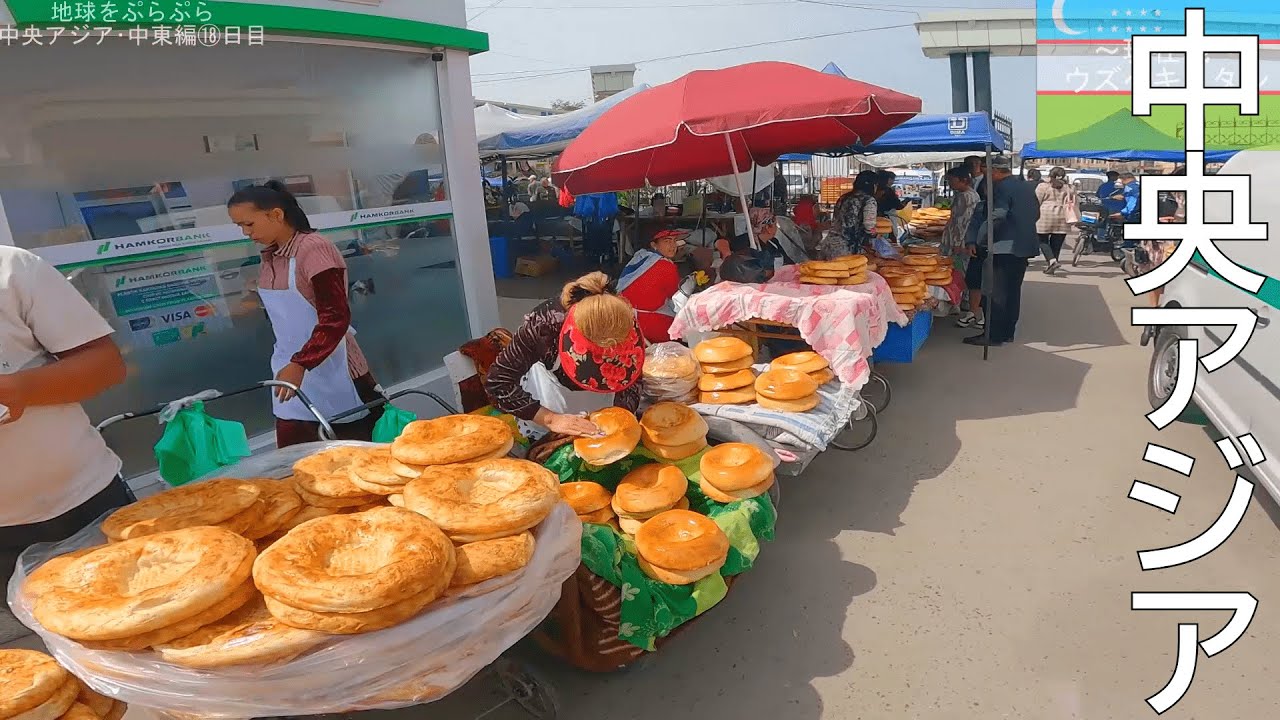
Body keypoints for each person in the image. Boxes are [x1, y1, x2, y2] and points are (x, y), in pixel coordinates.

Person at [0, 246, 135, 593]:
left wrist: (20, 390)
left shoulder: (12, 268)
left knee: (147, 606)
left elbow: (105, 366)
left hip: (87, 501)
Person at [227, 182, 383, 448]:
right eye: (239, 226)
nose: (245, 232)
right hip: (287, 371)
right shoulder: (272, 256)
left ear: (276, 215)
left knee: (355, 456)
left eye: (249, 224)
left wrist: (300, 364)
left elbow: (335, 318)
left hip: (335, 370)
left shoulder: (314, 249)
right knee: (297, 458)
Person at [485, 272, 644, 438]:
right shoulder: (544, 325)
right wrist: (551, 419)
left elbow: (633, 378)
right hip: (549, 405)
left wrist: (620, 419)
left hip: (602, 413)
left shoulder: (622, 318)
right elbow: (498, 384)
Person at [963, 157, 1041, 347]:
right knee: (1012, 292)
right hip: (1023, 247)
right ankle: (1007, 332)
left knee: (995, 294)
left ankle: (993, 335)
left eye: (987, 172)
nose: (987, 176)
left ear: (995, 171)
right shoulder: (1025, 187)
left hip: (1003, 247)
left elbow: (997, 215)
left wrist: (980, 239)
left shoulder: (1002, 187)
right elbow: (1036, 214)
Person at [617, 230, 682, 343]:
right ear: (653, 245)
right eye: (667, 241)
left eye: (674, 241)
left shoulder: (640, 258)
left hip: (624, 319)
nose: (673, 246)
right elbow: (676, 295)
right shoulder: (666, 266)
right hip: (648, 324)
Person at [818, 170, 878, 259]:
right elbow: (869, 226)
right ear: (873, 185)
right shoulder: (868, 200)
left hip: (829, 243)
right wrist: (875, 234)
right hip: (846, 248)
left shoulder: (844, 197)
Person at [1035, 166, 1077, 275]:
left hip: (1045, 215)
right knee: (1057, 243)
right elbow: (1075, 202)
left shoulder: (1043, 186)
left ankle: (1052, 261)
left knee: (1042, 240)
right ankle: (1053, 264)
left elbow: (1036, 201)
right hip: (1063, 216)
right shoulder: (1070, 188)